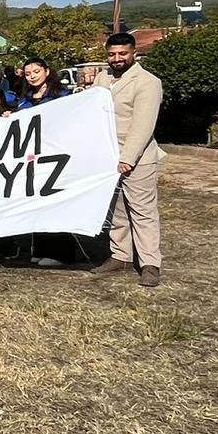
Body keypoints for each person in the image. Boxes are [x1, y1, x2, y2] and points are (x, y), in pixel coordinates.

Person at [91, 32, 165, 287]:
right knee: (116, 210)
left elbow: (143, 125)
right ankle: (121, 254)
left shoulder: (147, 82)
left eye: (122, 54)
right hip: (106, 154)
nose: (117, 59)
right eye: (112, 54)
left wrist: (128, 158)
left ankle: (149, 263)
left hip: (137, 156)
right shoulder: (102, 78)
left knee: (142, 210)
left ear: (134, 53)